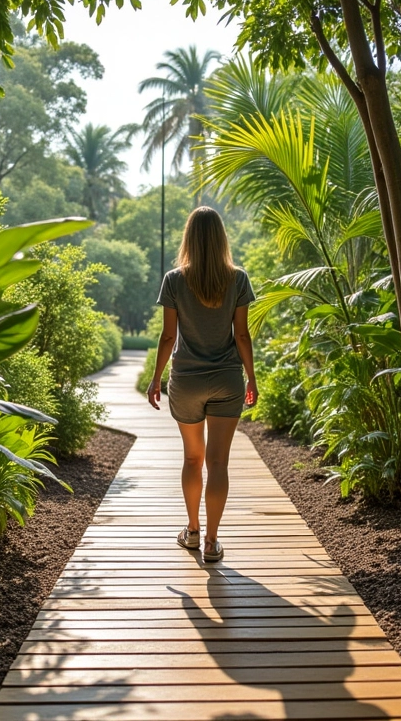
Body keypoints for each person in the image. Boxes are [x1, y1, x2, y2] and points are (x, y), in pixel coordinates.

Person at [147, 206, 258, 562]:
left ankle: (192, 532)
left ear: (189, 238)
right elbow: (241, 335)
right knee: (219, 463)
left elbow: (168, 337)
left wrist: (155, 378)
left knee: (193, 459)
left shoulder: (174, 280)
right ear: (222, 237)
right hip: (227, 379)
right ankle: (212, 542)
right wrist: (252, 378)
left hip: (187, 381)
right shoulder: (238, 279)